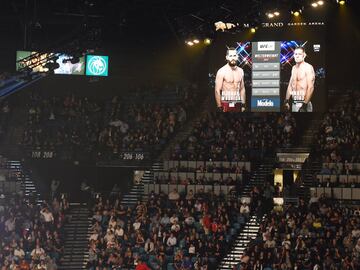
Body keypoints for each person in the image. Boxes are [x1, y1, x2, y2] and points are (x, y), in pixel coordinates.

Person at [284, 47, 315, 112]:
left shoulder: (308, 67)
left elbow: (311, 87)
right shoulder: (293, 68)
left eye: (299, 54)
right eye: (295, 54)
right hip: (294, 103)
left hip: (304, 102)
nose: (297, 56)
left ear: (304, 55)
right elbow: (290, 85)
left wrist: (305, 104)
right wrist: (286, 101)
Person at [215, 47, 246, 112]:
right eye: (230, 56)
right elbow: (217, 90)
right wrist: (219, 106)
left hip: (237, 103)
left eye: (234, 55)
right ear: (227, 57)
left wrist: (243, 105)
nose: (233, 58)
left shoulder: (241, 71)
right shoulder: (221, 71)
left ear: (237, 57)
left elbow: (242, 88)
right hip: (225, 103)